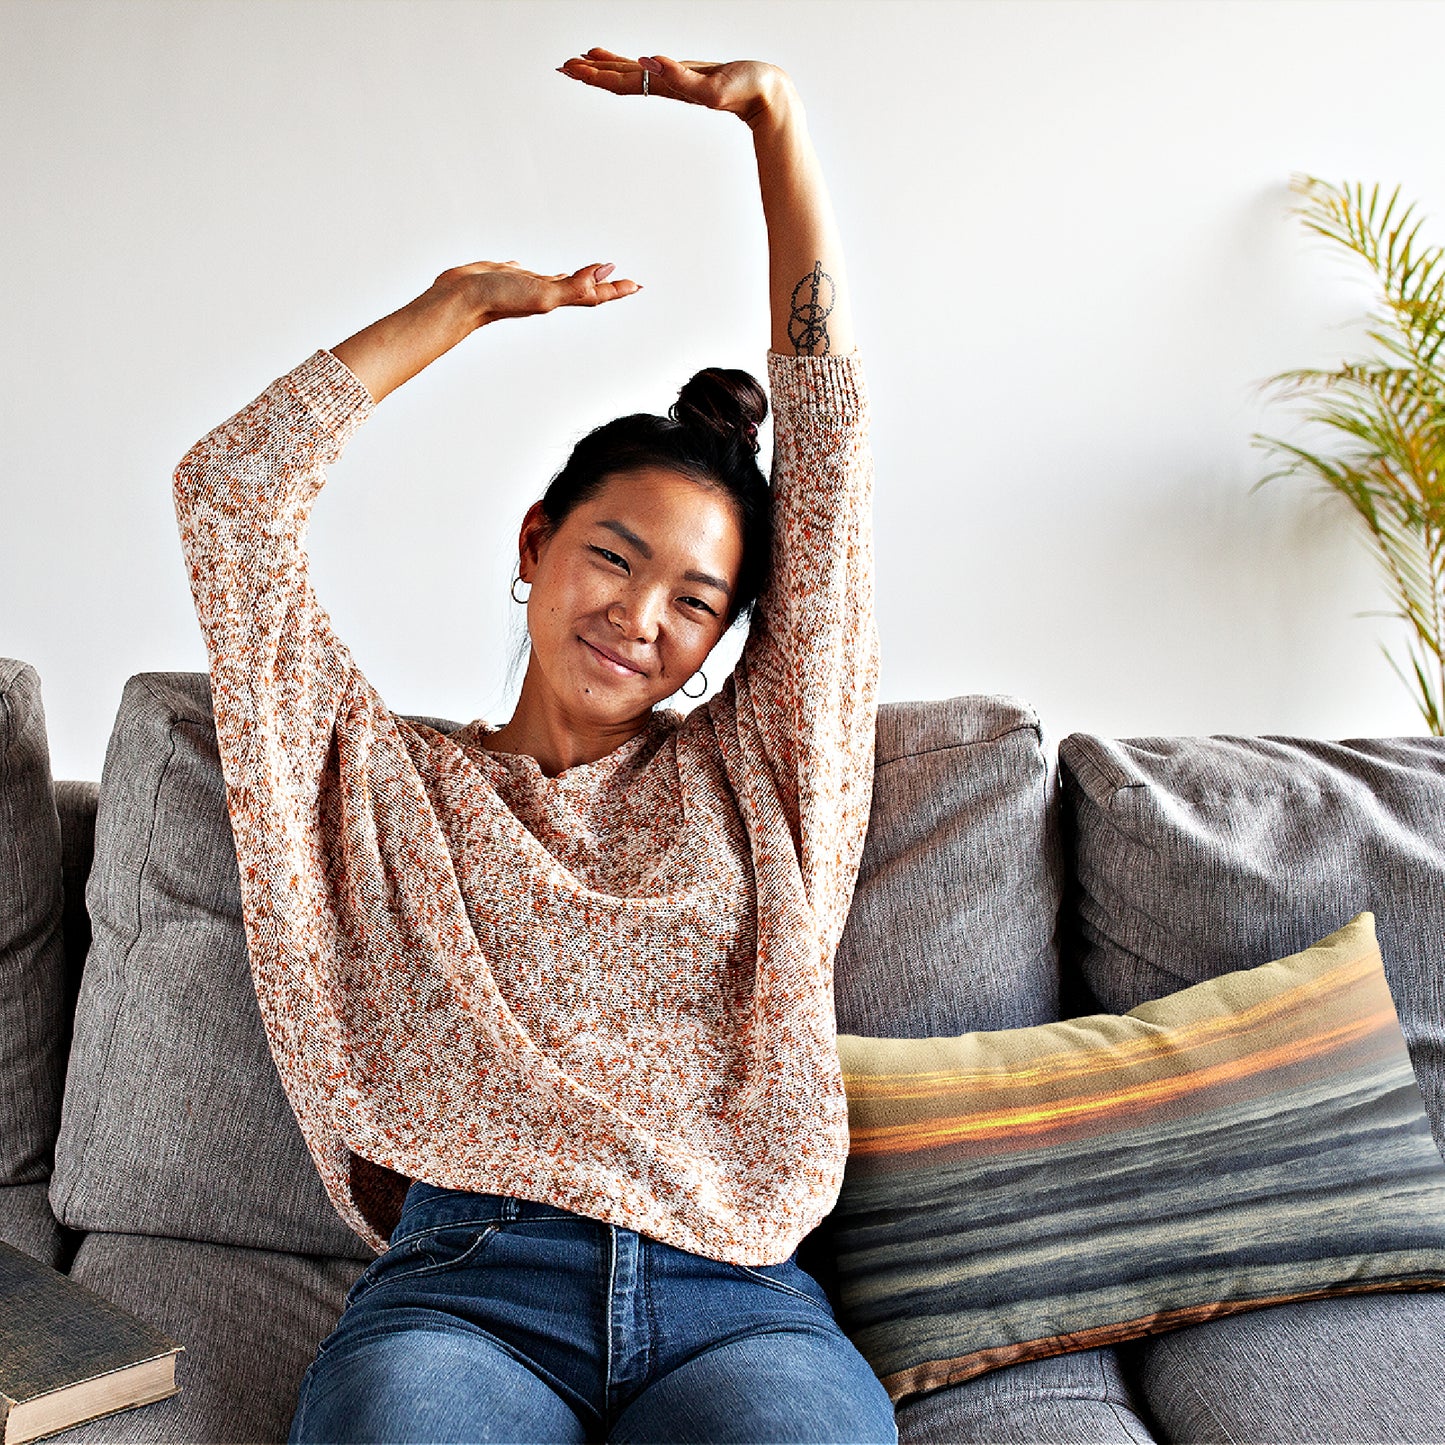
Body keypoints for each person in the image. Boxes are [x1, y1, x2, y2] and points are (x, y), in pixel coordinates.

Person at [172, 46, 891, 1445]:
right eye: (613, 559)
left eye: (695, 601)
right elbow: (229, 501)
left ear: (732, 636)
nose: (640, 617)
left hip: (732, 1293)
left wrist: (775, 127)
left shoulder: (759, 778)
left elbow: (831, 459)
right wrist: (452, 309)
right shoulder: (380, 782)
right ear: (535, 542)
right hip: (464, 1295)